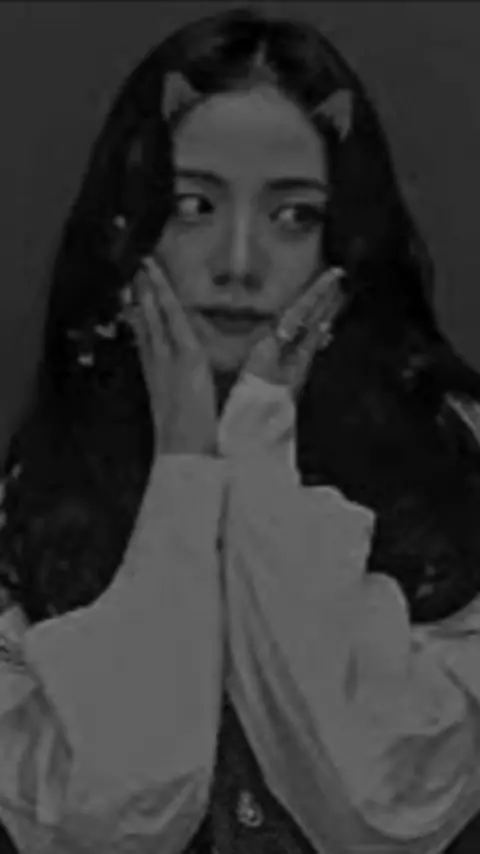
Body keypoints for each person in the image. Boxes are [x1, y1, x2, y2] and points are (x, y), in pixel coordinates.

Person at [1, 5, 480, 852]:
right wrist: (185, 466)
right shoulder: (37, 485)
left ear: (344, 241)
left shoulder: (452, 458)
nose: (238, 263)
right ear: (130, 227)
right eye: (192, 206)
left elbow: (382, 813)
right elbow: (111, 828)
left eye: (294, 216)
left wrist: (259, 444)